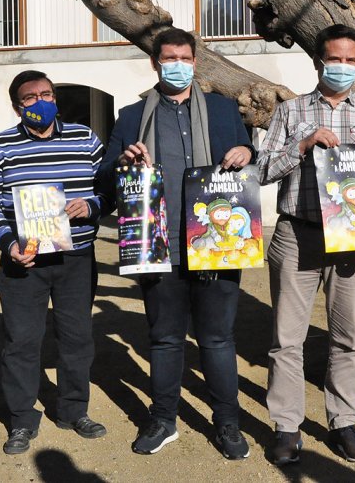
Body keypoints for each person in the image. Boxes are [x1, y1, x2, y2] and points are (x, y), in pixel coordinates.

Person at [100, 28, 255, 460]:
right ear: (155, 62)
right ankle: (163, 419)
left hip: (217, 245)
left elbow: (247, 152)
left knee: (218, 340)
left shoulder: (224, 110)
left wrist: (245, 149)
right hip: (157, 242)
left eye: (185, 57)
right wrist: (122, 163)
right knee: (165, 339)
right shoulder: (132, 116)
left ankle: (227, 423)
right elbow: (106, 180)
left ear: (195, 61)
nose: (178, 65)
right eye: (169, 57)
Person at [258, 24, 355, 465]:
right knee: (287, 339)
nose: (342, 67)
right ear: (319, 60)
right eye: (334, 59)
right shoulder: (291, 110)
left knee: (348, 337)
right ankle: (286, 426)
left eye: (349, 60)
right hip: (296, 234)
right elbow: (262, 170)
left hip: (354, 240)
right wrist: (302, 144)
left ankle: (344, 421)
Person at [0, 70, 108, 455]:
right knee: (21, 341)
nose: (40, 102)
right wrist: (7, 243)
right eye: (30, 97)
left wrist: (93, 205)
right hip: (24, 261)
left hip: (76, 258)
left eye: (46, 94)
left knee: (77, 338)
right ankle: (21, 420)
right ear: (17, 106)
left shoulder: (86, 139)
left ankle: (73, 411)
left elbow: (108, 189)